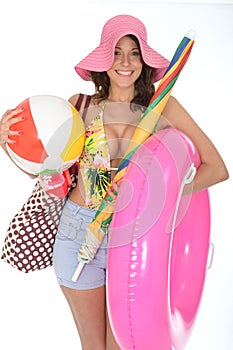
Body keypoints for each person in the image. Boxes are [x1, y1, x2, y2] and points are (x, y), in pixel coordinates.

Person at [0, 14, 229, 350]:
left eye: (133, 53)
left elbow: (217, 168)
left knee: (123, 346)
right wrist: (9, 144)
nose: (125, 62)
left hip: (134, 238)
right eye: (117, 52)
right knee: (95, 346)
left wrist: (153, 193)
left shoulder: (163, 107)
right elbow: (46, 172)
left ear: (144, 61)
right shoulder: (79, 106)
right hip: (76, 233)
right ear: (104, 60)